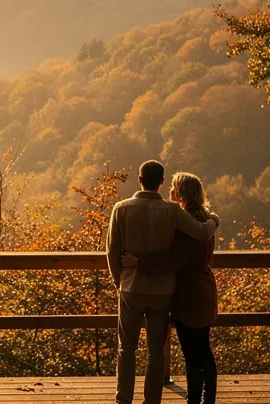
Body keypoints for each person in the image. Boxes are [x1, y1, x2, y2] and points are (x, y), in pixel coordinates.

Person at [106, 160, 219, 404]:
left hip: (131, 287)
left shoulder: (121, 208)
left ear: (139, 180)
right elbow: (201, 232)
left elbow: (112, 251)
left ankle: (124, 399)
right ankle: (152, 400)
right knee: (156, 351)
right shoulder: (172, 211)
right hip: (162, 290)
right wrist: (214, 219)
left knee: (126, 348)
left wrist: (120, 281)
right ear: (161, 182)